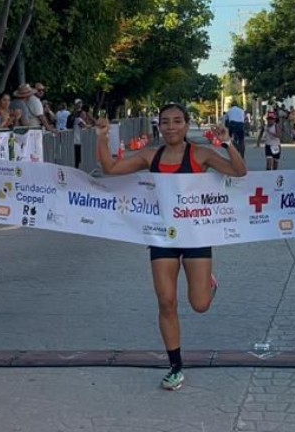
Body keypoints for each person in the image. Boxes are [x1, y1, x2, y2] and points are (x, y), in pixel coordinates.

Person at [96, 104, 247, 391]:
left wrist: (227, 142)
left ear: (187, 125)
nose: (171, 127)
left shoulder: (200, 155)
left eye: (177, 121)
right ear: (159, 126)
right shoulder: (150, 155)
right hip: (162, 237)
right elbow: (110, 168)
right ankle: (175, 365)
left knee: (199, 305)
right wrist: (103, 136)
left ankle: (209, 284)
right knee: (166, 301)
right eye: (165, 122)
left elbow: (239, 172)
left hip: (197, 237)